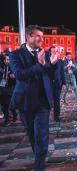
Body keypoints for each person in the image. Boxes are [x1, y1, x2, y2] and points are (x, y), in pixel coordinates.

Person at [9, 25, 60, 170]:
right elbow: (19, 74)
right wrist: (39, 65)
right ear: (28, 37)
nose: (41, 39)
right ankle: (39, 158)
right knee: (32, 135)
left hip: (43, 102)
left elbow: (51, 75)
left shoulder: (45, 54)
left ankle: (39, 167)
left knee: (41, 136)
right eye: (38, 36)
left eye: (42, 37)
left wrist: (54, 63)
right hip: (25, 102)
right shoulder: (15, 54)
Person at [48, 46, 66, 122]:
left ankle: (56, 116)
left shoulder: (60, 62)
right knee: (48, 101)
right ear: (49, 52)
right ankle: (47, 116)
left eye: (55, 51)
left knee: (57, 101)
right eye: (52, 51)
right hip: (48, 84)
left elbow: (62, 73)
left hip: (57, 83)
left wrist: (64, 83)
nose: (54, 53)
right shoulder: (47, 61)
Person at [0, 53, 18, 126]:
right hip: (1, 89)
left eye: (8, 59)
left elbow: (16, 80)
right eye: (6, 59)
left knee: (9, 105)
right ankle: (7, 120)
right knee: (3, 106)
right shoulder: (1, 67)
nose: (7, 61)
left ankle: (14, 114)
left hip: (9, 88)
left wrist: (13, 78)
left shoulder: (12, 68)